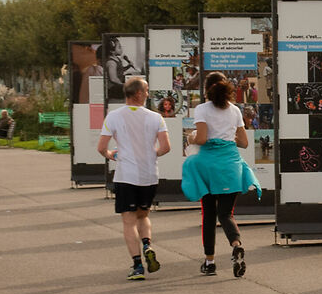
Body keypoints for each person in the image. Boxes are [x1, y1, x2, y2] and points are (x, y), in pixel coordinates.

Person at [182, 72, 259, 277]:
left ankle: (210, 262)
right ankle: (236, 244)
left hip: (208, 166)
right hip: (231, 165)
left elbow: (203, 138)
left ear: (206, 89)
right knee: (226, 213)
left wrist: (190, 138)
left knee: (209, 214)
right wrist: (226, 138)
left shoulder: (202, 109)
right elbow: (244, 143)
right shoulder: (234, 110)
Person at [99, 76, 172, 279]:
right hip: (149, 175)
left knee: (128, 221)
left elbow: (101, 148)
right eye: (147, 90)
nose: (148, 94)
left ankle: (138, 265)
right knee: (143, 216)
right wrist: (150, 154)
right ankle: (147, 244)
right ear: (139, 93)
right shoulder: (155, 117)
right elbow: (166, 147)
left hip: (126, 176)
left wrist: (111, 155)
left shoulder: (113, 117)